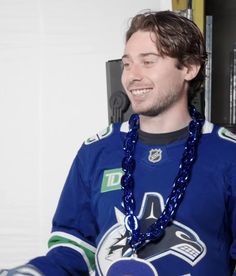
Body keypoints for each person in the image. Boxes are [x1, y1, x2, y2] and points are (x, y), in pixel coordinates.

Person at [1, 9, 236, 276]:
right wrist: (32, 273)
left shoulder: (228, 154)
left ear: (189, 67)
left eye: (148, 62)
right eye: (127, 64)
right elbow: (74, 250)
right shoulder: (96, 151)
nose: (132, 76)